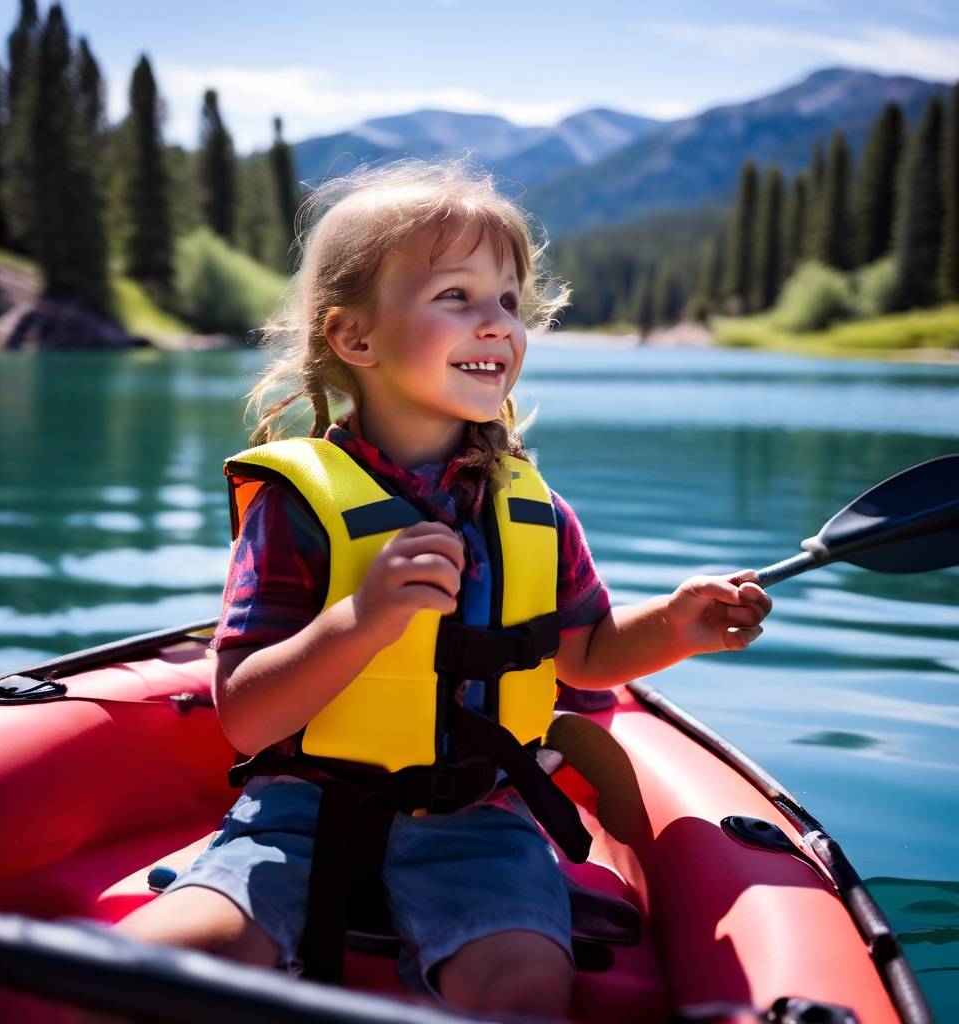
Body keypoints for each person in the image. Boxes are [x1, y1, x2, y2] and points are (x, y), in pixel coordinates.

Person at [115, 159, 772, 1020]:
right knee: (155, 967)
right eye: (456, 297)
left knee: (529, 988)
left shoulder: (530, 506)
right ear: (354, 338)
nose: (496, 324)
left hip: (481, 820)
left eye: (509, 301)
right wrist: (362, 620)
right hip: (299, 815)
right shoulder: (297, 506)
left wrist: (678, 627)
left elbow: (589, 656)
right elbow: (245, 713)